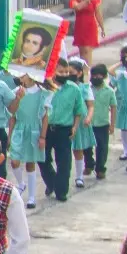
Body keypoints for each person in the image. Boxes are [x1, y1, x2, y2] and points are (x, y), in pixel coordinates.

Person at [38, 59, 86, 203]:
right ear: (53, 71)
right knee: (42, 159)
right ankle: (52, 182)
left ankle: (61, 191)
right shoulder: (43, 87)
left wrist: (75, 127)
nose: (65, 75)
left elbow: (78, 110)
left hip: (64, 129)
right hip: (45, 129)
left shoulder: (73, 89)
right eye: (61, 72)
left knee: (64, 161)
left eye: (66, 72)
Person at [7, 72, 51, 209]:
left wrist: (42, 136)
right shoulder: (16, 92)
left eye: (24, 74)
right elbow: (12, 115)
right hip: (19, 129)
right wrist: (9, 135)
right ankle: (21, 184)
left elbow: (45, 117)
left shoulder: (43, 93)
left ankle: (32, 197)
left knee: (30, 163)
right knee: (14, 161)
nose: (21, 76)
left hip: (34, 130)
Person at [65, 58, 96, 189]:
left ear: (79, 73)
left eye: (71, 72)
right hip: (65, 119)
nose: (68, 74)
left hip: (80, 121)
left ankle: (79, 177)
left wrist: (89, 117)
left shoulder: (84, 87)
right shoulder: (63, 86)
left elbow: (90, 105)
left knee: (78, 150)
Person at [84, 63, 116, 180]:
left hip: (103, 123)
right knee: (86, 146)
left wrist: (112, 125)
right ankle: (89, 164)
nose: (96, 78)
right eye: (94, 75)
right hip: (88, 123)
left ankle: (100, 169)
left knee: (102, 147)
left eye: (99, 76)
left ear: (104, 76)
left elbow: (113, 108)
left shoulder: (109, 91)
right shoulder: (87, 89)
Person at [69, 0, 104, 64]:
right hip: (80, 27)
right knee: (82, 50)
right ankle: (83, 67)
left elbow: (98, 15)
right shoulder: (75, 0)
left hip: (90, 27)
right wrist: (87, 0)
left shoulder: (94, 1)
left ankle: (88, 67)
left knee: (87, 49)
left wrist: (102, 28)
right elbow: (78, 7)